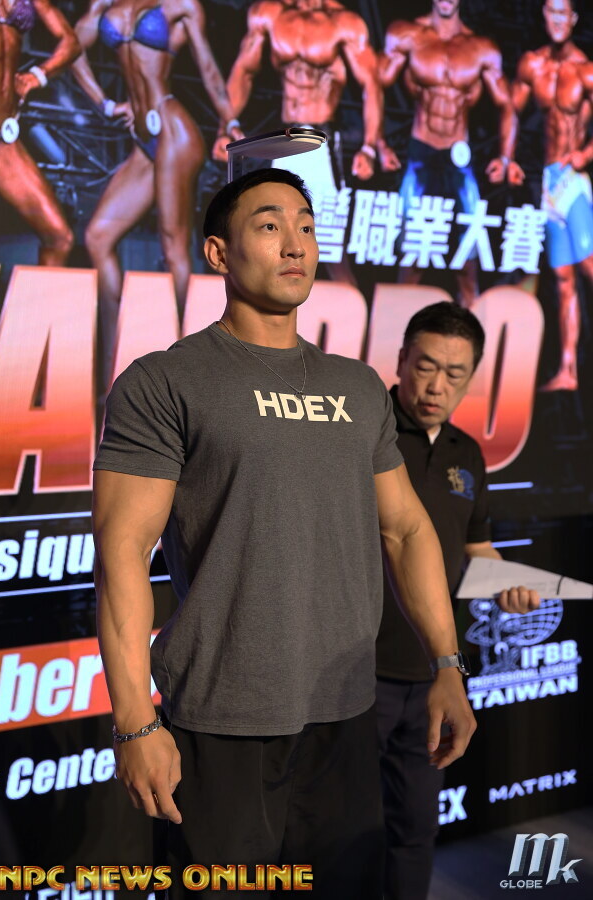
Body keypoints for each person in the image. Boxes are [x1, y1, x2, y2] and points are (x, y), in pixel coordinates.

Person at [92, 168, 476, 899]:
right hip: (221, 723)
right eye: (269, 226)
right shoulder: (165, 381)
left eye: (305, 225)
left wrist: (447, 664)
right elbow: (122, 556)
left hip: (346, 713)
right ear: (218, 253)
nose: (295, 243)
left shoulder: (357, 387)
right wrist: (136, 722)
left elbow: (406, 530)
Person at [375, 301, 540, 900]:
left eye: (454, 374)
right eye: (425, 367)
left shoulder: (467, 452)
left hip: (433, 675)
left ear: (472, 378)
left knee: (415, 830)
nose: (436, 386)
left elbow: (475, 546)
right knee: (340, 832)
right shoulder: (364, 432)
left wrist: (507, 584)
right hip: (352, 673)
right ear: (401, 360)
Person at [71, 0, 243, 391]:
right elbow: (71, 47)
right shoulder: (105, 4)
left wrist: (229, 120)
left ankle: (188, 368)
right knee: (98, 237)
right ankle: (114, 361)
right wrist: (103, 102)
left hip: (173, 130)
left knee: (173, 245)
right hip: (143, 139)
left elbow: (208, 68)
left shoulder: (180, 5)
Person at [379, 0, 523, 306]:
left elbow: (507, 104)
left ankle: (471, 327)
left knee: (468, 255)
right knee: (411, 253)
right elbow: (374, 84)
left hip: (459, 157)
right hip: (421, 153)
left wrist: (506, 157)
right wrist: (376, 143)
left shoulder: (481, 48)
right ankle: (396, 328)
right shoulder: (409, 35)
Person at [219, 0, 394, 193]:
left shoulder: (344, 22)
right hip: (281, 137)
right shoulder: (269, 13)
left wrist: (369, 147)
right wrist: (224, 128)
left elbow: (371, 84)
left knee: (319, 210)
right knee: (271, 208)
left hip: (320, 142)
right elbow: (243, 71)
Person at [513, 0, 593, 392]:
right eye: (551, 12)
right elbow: (511, 111)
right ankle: (567, 369)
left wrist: (585, 154)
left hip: (573, 181)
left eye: (564, 13)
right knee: (562, 279)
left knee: (589, 266)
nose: (557, 20)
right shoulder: (535, 64)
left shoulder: (587, 69)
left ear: (574, 19)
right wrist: (507, 157)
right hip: (549, 181)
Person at [0, 0, 79, 264]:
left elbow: (71, 42)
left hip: (2, 139)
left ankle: (40, 295)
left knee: (59, 238)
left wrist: (38, 74)